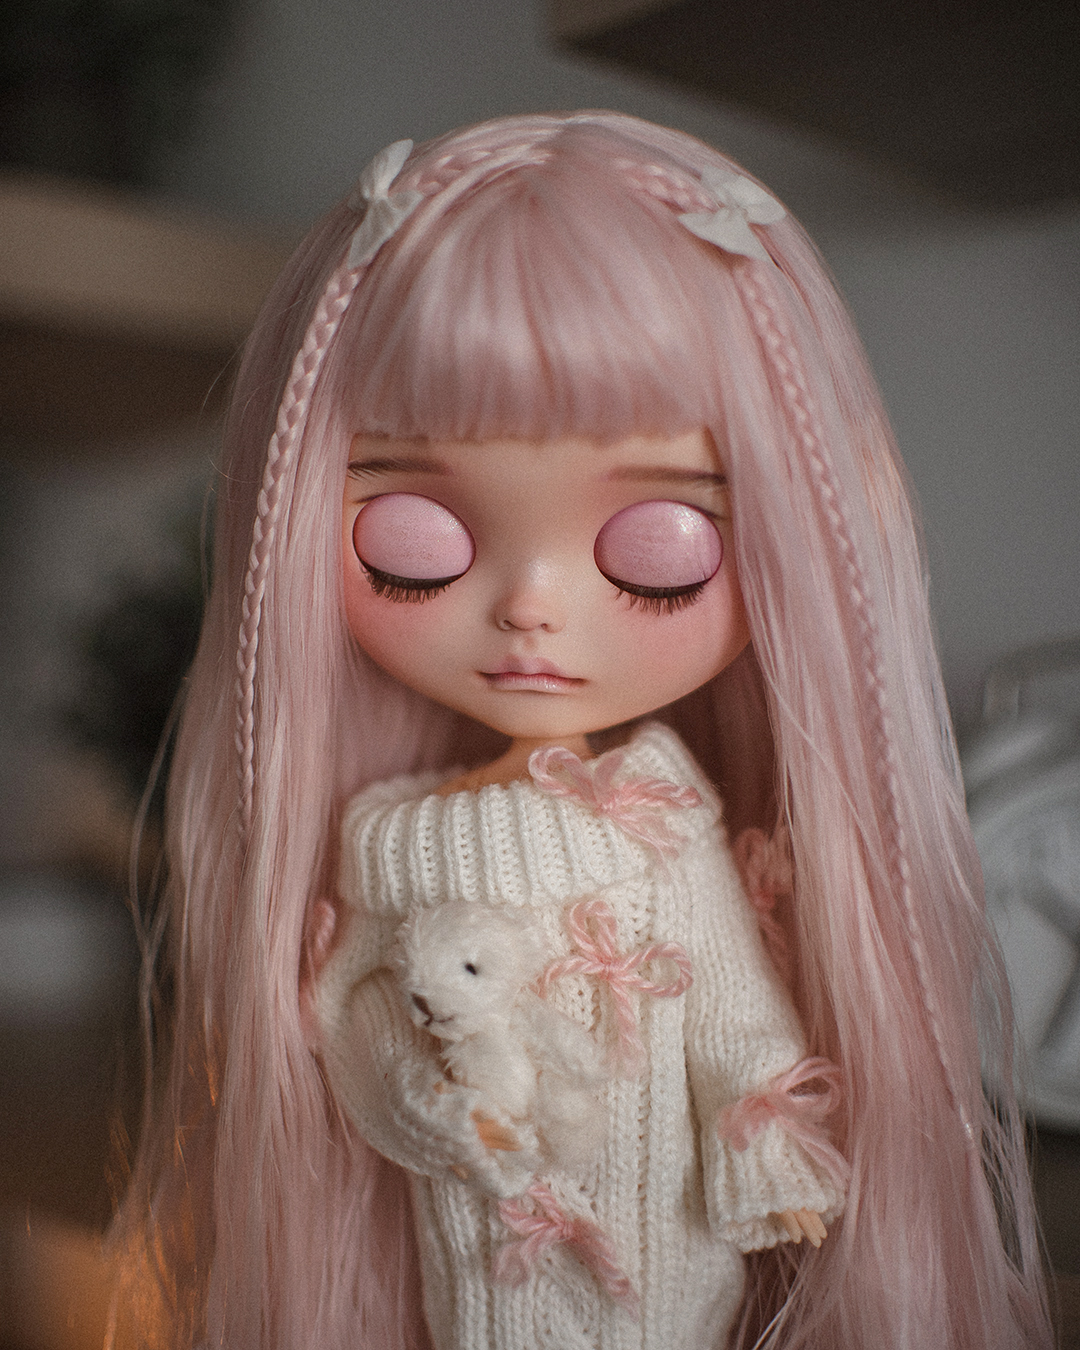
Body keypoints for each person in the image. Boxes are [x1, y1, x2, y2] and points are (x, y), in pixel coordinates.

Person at [111, 112, 1052, 1350]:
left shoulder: (664, 825)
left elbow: (730, 1015)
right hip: (474, 1275)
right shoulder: (386, 850)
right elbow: (354, 1038)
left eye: (658, 549)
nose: (530, 609)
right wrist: (433, 1112)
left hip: (672, 1271)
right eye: (414, 540)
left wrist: (761, 1132)